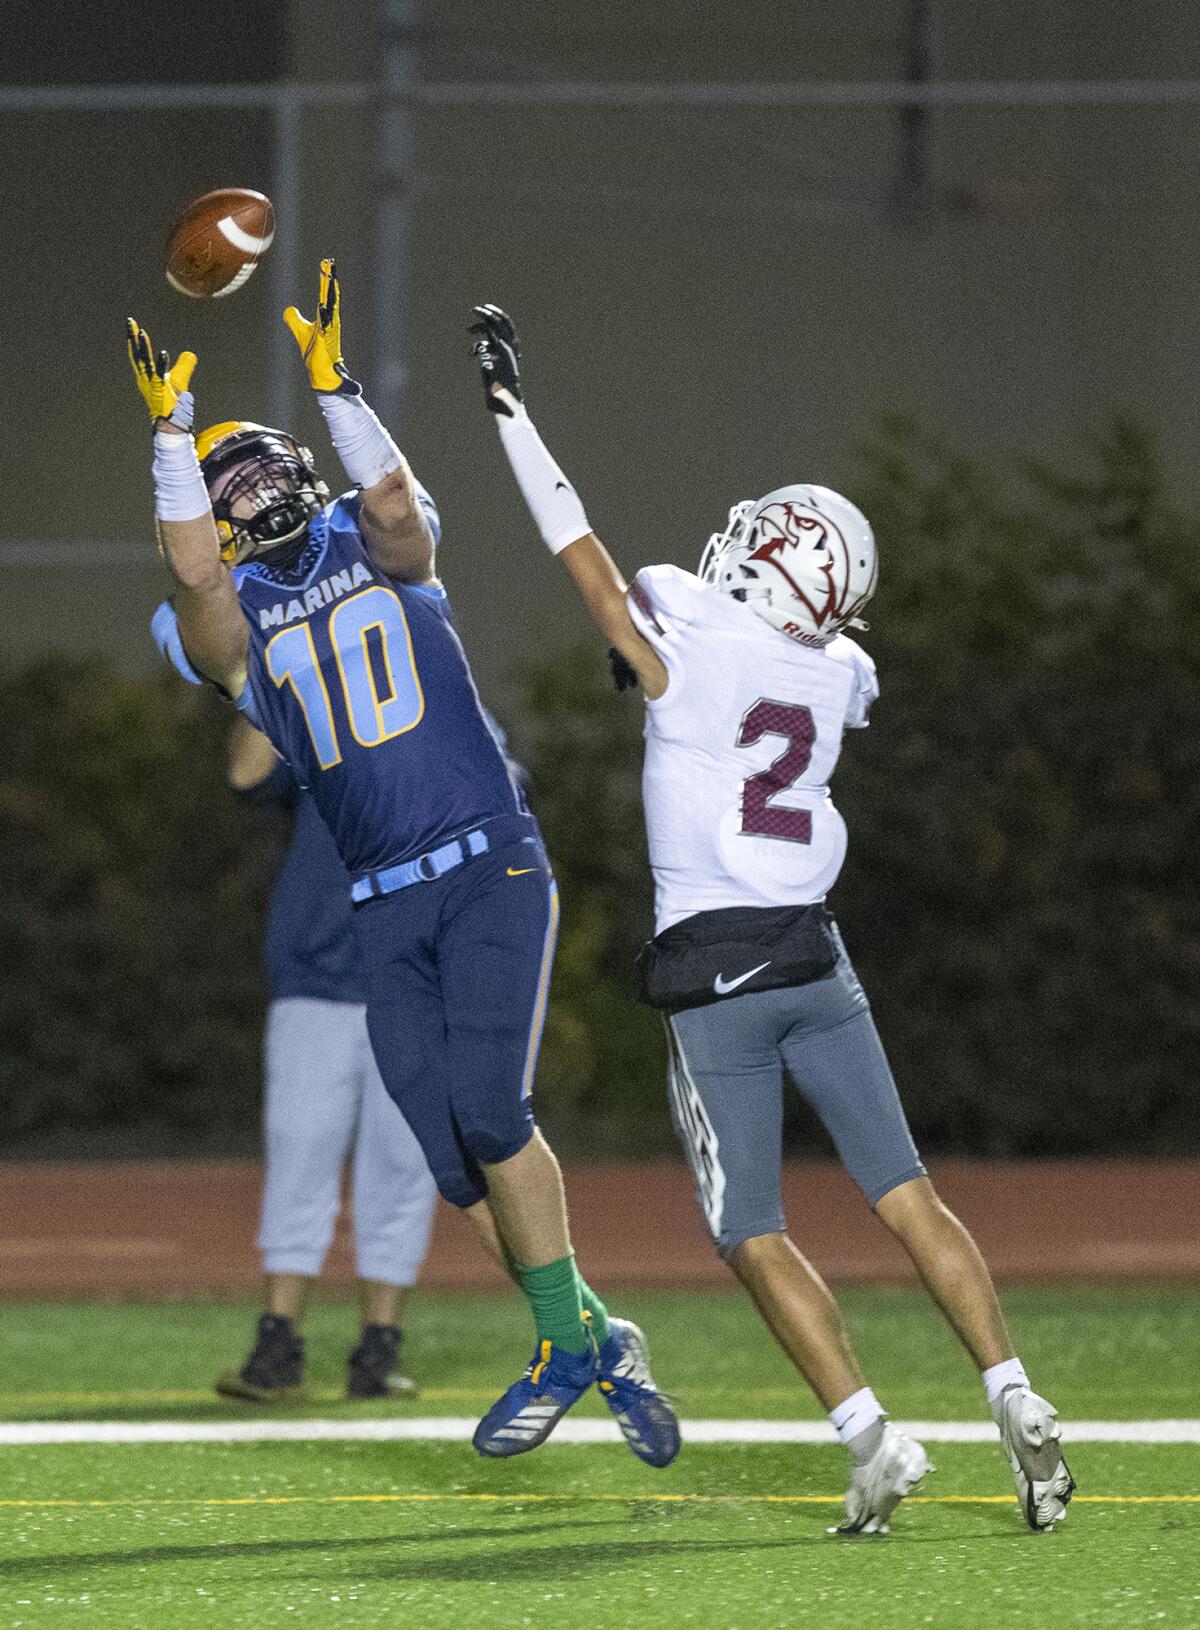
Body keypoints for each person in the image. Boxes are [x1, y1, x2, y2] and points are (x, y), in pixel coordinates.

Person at [467, 303, 1074, 1534]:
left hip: (717, 977)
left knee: (750, 1230)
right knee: (907, 1192)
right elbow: (791, 675)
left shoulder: (689, 628)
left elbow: (579, 554)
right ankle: (1014, 1393)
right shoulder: (836, 670)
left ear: (771, 559)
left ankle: (871, 1435)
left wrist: (513, 416)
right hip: (820, 955)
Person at [125, 261, 679, 1466]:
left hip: (488, 867)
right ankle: (589, 1332)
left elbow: (393, 509)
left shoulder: (374, 541)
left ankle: (554, 1346)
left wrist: (335, 385)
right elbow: (197, 593)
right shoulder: (224, 633)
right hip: (380, 905)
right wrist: (174, 438)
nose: (262, 487)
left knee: (490, 1111)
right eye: (234, 483)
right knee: (451, 1162)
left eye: (270, 463)